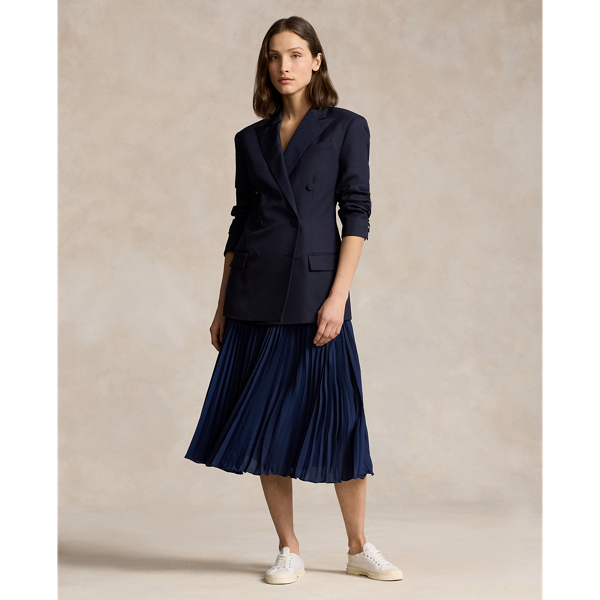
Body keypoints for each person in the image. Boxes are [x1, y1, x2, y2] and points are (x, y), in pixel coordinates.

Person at [185, 16, 403, 585]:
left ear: (316, 60)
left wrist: (338, 296)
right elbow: (241, 223)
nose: (284, 66)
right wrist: (221, 305)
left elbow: (356, 213)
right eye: (275, 56)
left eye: (296, 54)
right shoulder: (249, 139)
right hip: (254, 294)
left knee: (342, 418)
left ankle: (358, 546)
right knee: (268, 423)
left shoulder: (346, 127)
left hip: (314, 295)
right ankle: (288, 546)